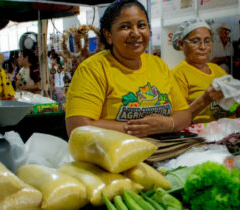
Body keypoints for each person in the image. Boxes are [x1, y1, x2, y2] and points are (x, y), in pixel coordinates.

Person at [65, 0, 192, 137]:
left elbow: (185, 114)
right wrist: (138, 128)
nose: (136, 33)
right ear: (108, 35)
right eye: (125, 27)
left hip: (164, 152)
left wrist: (168, 124)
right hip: (114, 155)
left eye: (141, 25)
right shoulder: (92, 69)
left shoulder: (158, 65)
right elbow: (77, 126)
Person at [171, 19, 240, 124]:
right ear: (181, 44)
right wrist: (205, 99)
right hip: (201, 137)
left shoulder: (217, 69)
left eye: (207, 41)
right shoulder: (177, 75)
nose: (203, 47)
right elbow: (176, 120)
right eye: (195, 41)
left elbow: (237, 105)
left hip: (229, 133)